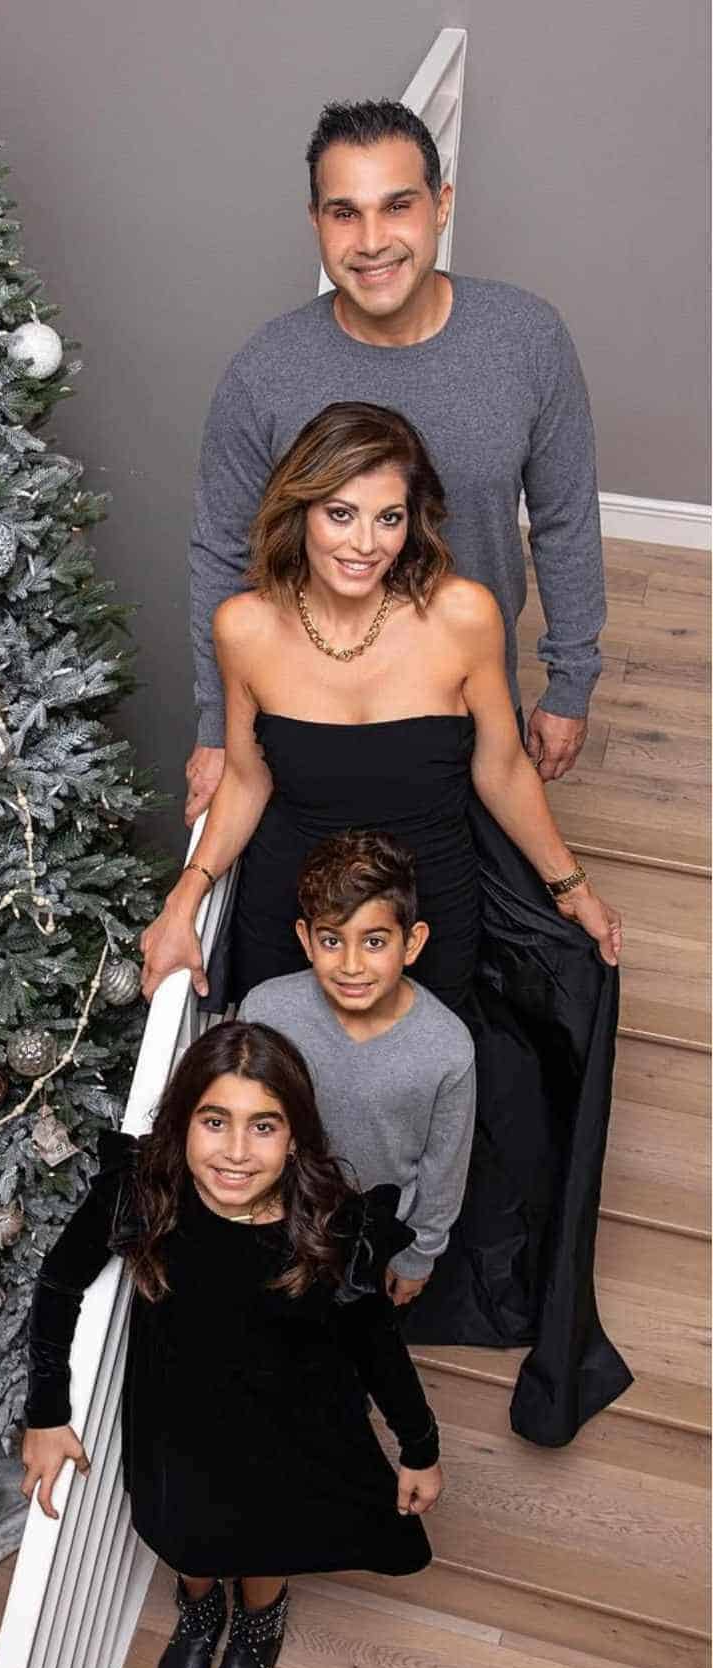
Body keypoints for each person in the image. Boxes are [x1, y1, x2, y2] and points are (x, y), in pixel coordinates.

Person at [139, 401, 633, 1450]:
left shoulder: (460, 615)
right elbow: (249, 777)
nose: (364, 542)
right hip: (295, 918)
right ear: (299, 510)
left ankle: (383, 1292)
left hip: (424, 917)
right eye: (340, 513)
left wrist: (570, 883)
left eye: (390, 518)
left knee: (403, 1107)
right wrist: (184, 899)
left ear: (420, 522)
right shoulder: (247, 626)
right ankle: (294, 1323)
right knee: (286, 1122)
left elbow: (499, 763)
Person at [21, 1021, 443, 1668]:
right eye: (215, 1122)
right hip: (175, 1420)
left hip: (290, 1423)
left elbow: (375, 1343)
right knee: (187, 1533)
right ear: (183, 1121)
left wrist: (420, 1444)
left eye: (264, 1127)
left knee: (266, 1534)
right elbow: (59, 1282)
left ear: (295, 1137)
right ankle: (197, 1610)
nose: (238, 1153)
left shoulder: (330, 1226)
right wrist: (46, 1412)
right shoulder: (141, 1196)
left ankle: (256, 1624)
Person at [185, 97, 605, 826]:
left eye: (397, 206)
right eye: (344, 212)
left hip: (470, 722)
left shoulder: (527, 339)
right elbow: (221, 553)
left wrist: (570, 683)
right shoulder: (267, 371)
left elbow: (566, 521)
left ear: (441, 206)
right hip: (303, 731)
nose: (372, 241)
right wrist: (215, 728)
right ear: (314, 221)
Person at [239, 829, 475, 1312]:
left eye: (373, 941)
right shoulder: (265, 1012)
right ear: (306, 939)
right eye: (331, 940)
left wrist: (419, 1256)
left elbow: (443, 1168)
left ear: (412, 943)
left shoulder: (448, 1048)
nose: (351, 965)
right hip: (272, 1222)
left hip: (369, 1240)